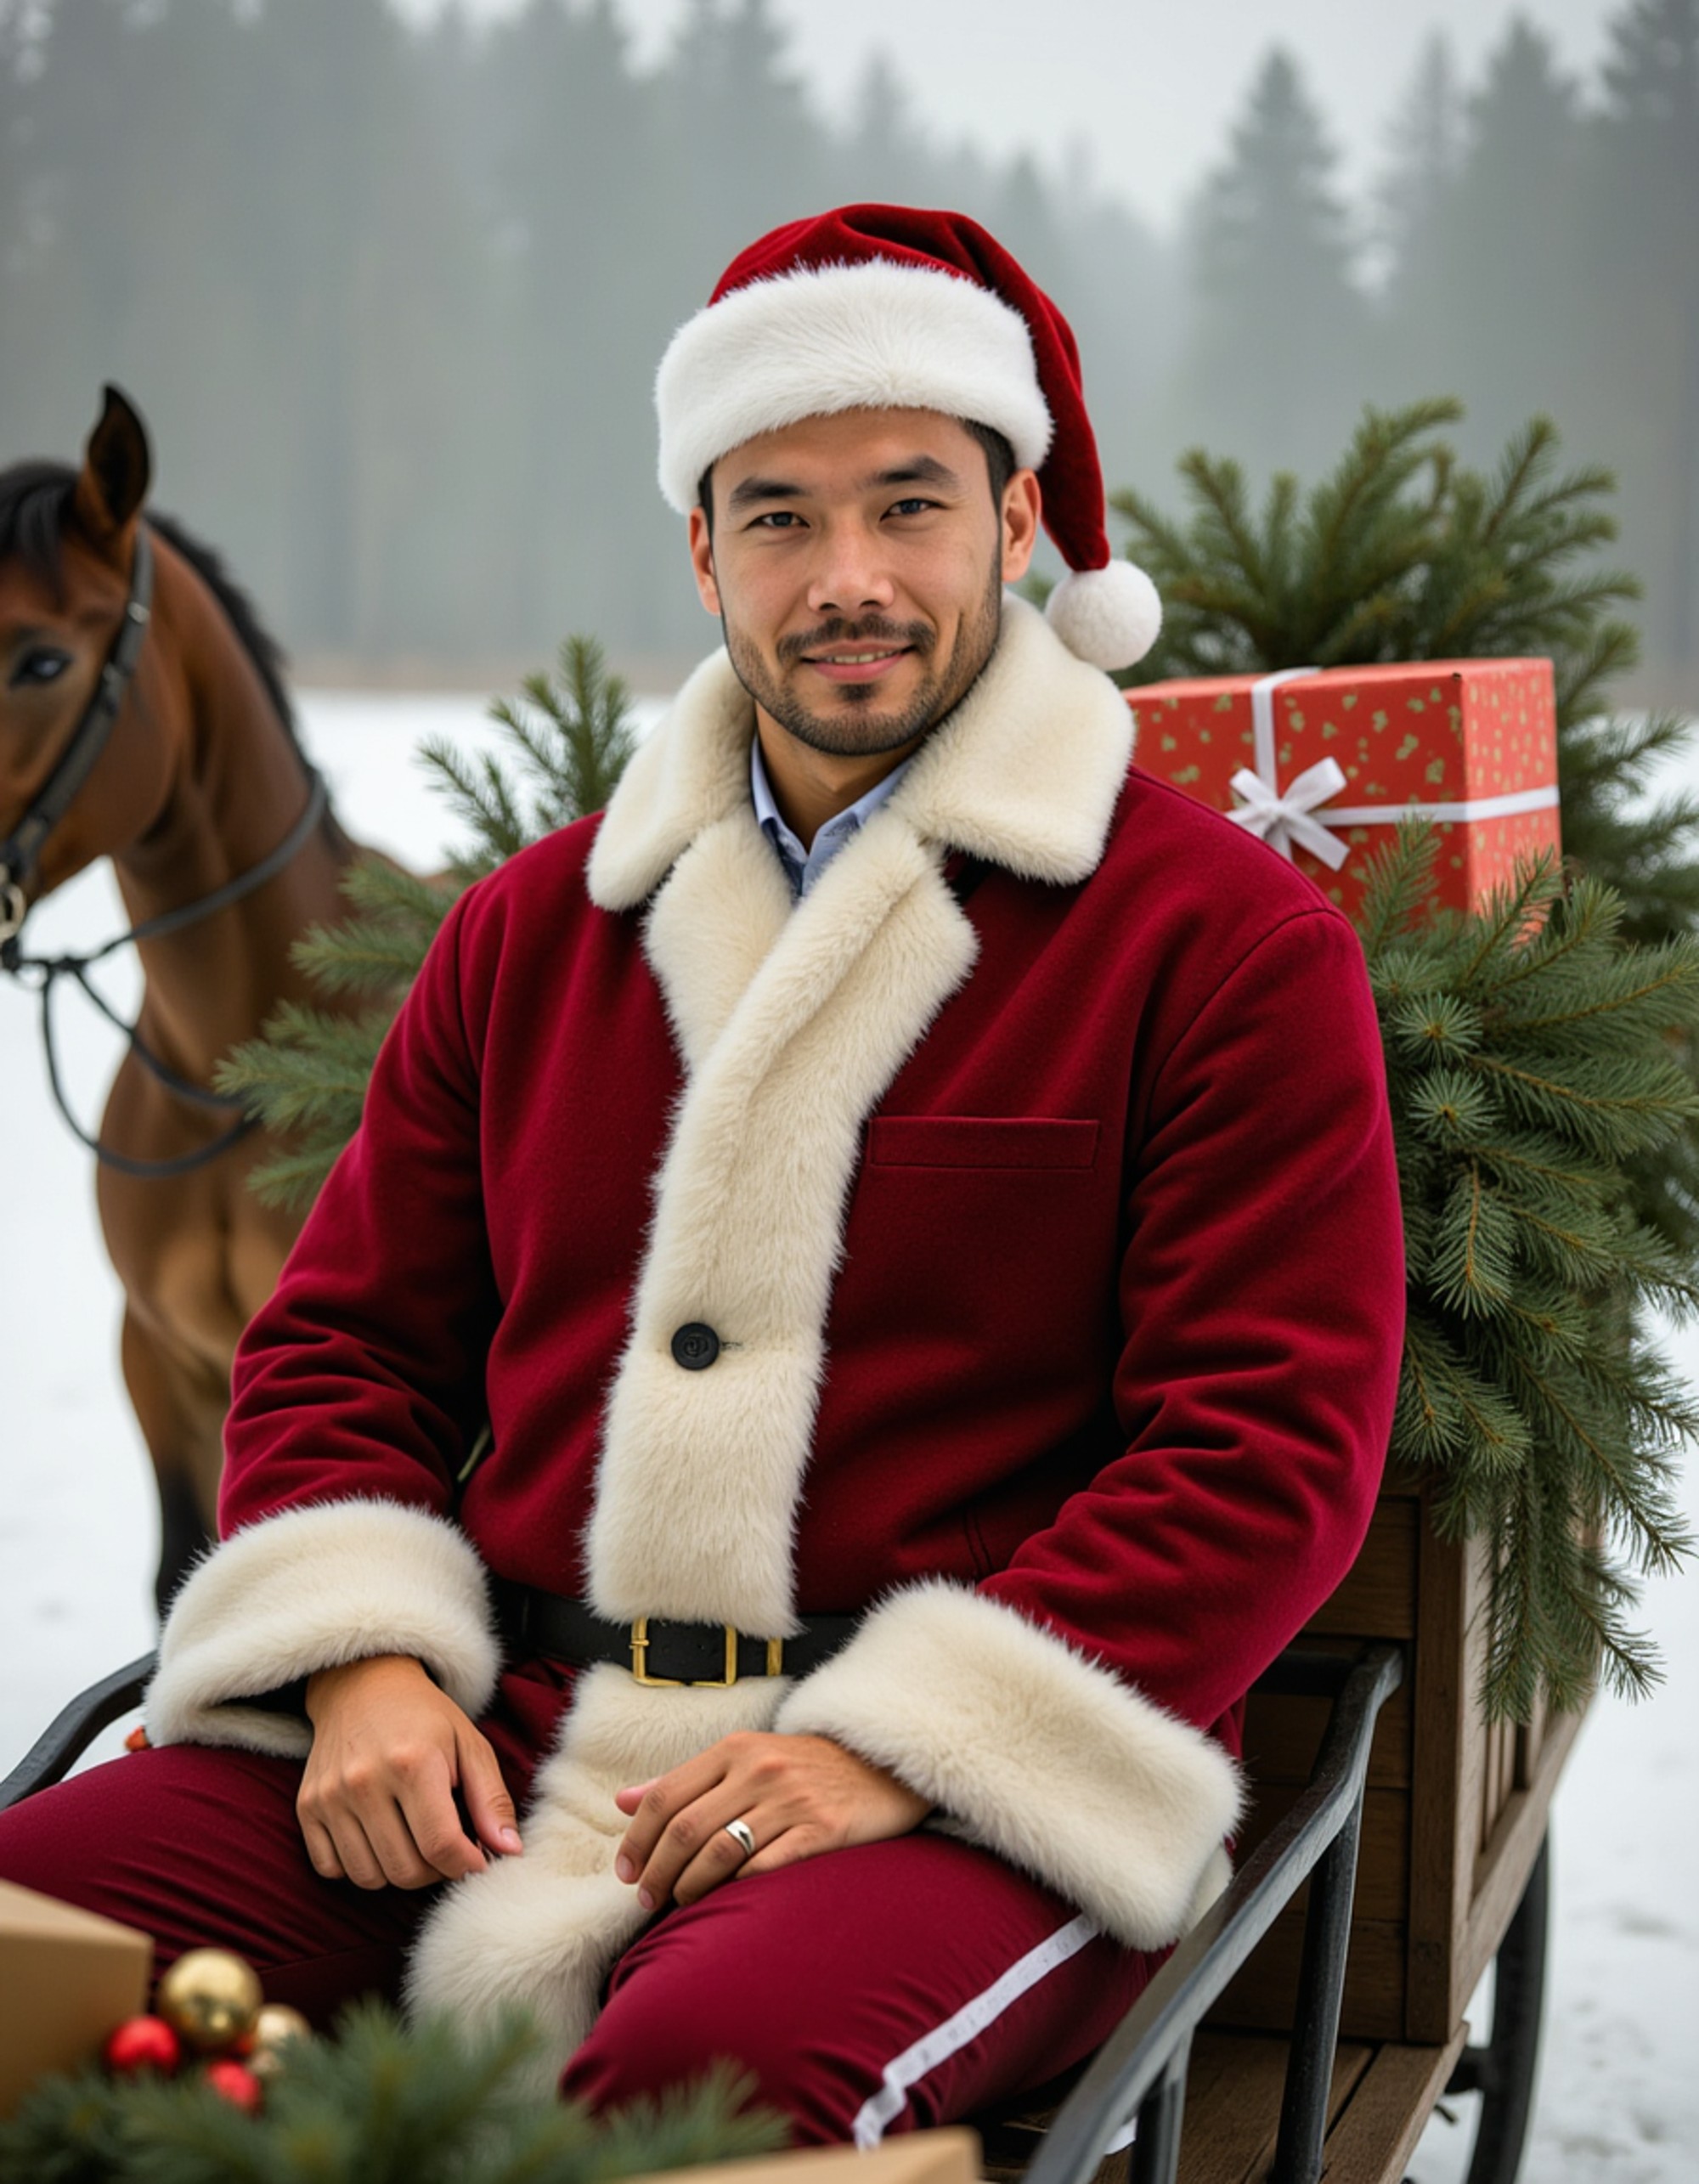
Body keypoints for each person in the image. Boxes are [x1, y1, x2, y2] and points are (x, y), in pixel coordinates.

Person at [0, 205, 1404, 2142]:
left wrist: (902, 1747)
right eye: (778, 514)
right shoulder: (528, 931)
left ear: (1015, 524)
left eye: (908, 505)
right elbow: (341, 1343)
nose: (846, 577)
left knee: (699, 2096)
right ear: (701, 547)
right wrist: (365, 1659)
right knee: (19, 1938)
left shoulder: (1219, 946)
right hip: (500, 1712)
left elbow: (1262, 1440)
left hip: (949, 1774)